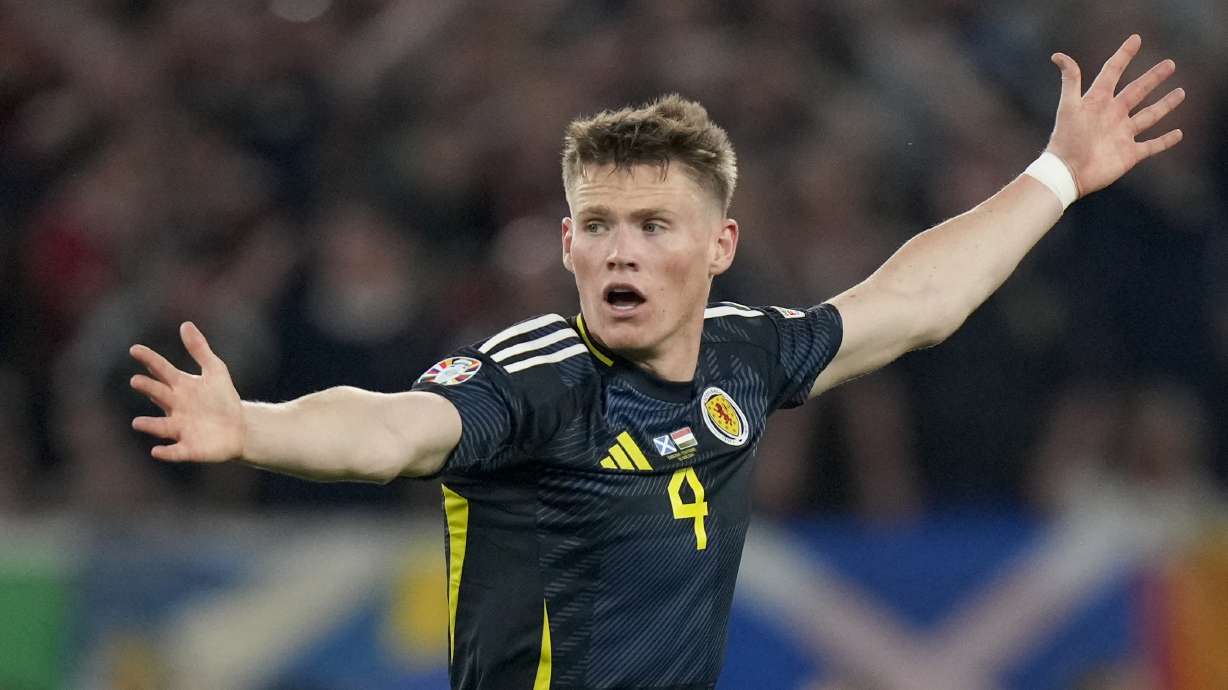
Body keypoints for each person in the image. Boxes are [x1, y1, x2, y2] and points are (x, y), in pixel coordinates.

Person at [129, 35, 1183, 690]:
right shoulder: (533, 377)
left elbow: (910, 304)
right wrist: (255, 425)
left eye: (652, 224)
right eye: (600, 224)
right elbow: (391, 429)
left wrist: (1054, 174)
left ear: (717, 248)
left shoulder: (743, 358)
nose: (622, 248)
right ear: (567, 245)